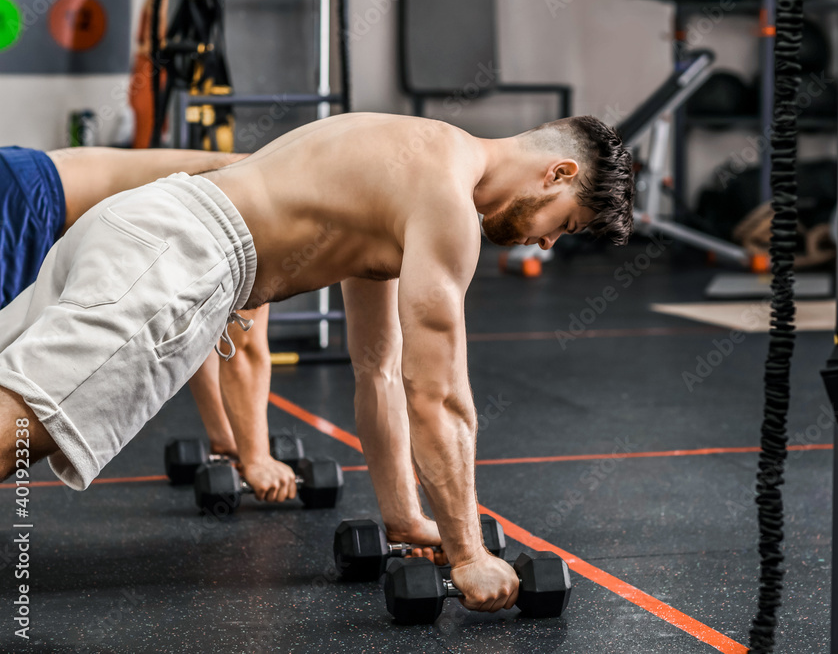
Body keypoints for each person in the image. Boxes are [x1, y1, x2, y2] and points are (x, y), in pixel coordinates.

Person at [0, 113, 634, 613]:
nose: (548, 243)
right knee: (20, 432)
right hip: (183, 256)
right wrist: (468, 556)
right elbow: (437, 394)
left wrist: (405, 518)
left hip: (140, 223)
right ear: (558, 172)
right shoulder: (448, 203)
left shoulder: (417, 154)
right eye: (566, 225)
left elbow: (378, 370)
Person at [0, 146, 298, 502]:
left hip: (23, 177)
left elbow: (198, 329)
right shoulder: (254, 211)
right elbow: (244, 349)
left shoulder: (240, 176)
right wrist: (257, 458)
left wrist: (225, 441)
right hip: (28, 202)